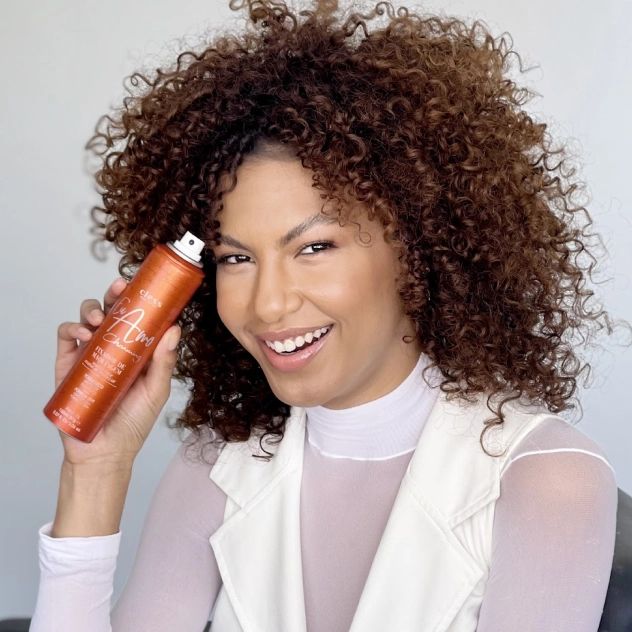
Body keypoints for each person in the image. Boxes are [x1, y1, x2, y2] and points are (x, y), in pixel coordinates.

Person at [30, 0, 628, 630]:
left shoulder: (544, 480)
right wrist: (95, 472)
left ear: (417, 247)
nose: (268, 304)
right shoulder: (218, 468)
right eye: (237, 259)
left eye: (314, 248)